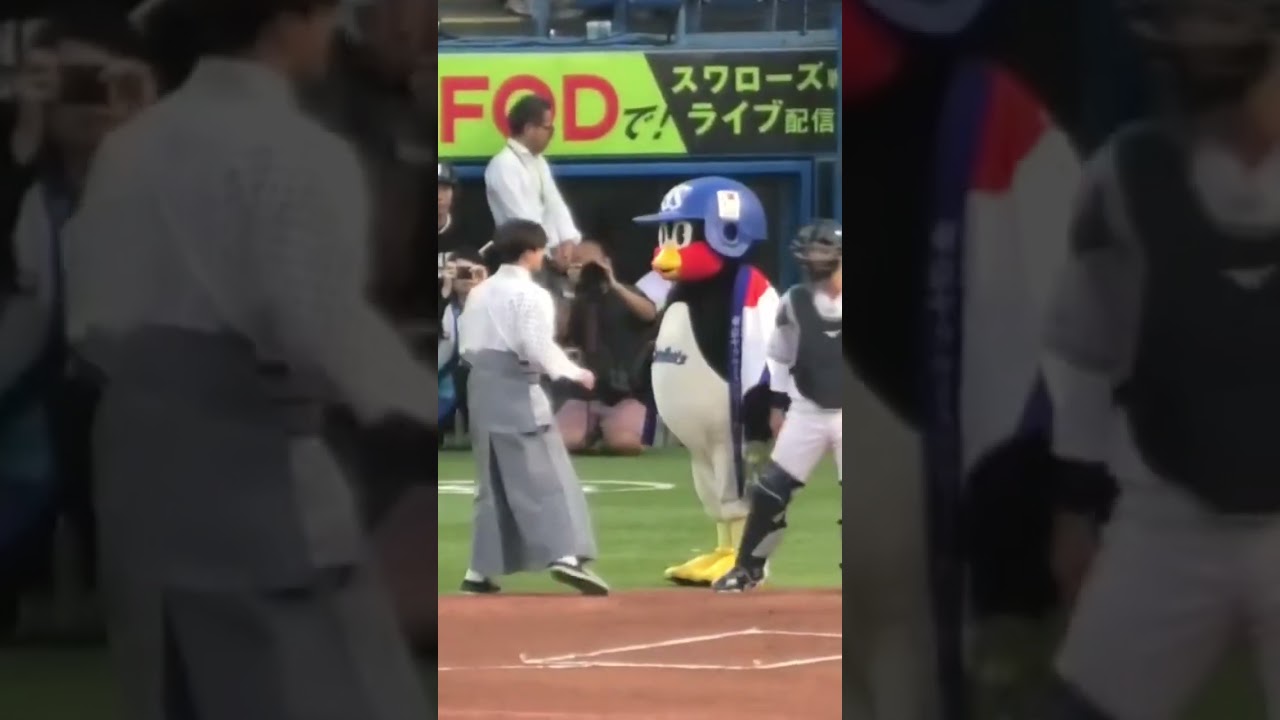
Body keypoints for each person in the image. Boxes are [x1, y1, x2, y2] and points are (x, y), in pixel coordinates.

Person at [61, 0, 434, 717]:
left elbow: (90, 316)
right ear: (287, 20)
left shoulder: (128, 146)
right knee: (320, 687)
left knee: (173, 685)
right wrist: (426, 406)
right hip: (253, 463)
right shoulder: (297, 151)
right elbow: (316, 330)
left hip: (136, 460)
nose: (332, 35)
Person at [1042, 1, 1280, 717]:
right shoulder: (1126, 173)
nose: (1205, 38)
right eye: (1191, 17)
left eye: (1226, 16)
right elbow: (1087, 348)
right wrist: (1076, 505)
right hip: (1172, 516)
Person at [456, 219, 609, 596]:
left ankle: (479, 570)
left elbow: (467, 346)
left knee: (492, 479)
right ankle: (564, 554)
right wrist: (574, 372)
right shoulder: (531, 294)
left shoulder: (480, 292)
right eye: (541, 249)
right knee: (546, 471)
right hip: (515, 384)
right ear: (529, 253)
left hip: (481, 385)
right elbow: (535, 346)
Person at [712, 219, 844, 592]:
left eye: (821, 251)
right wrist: (778, 405)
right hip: (806, 408)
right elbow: (781, 358)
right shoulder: (794, 301)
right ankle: (748, 569)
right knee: (771, 490)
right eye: (810, 251)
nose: (813, 258)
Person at [554, 240, 657, 454]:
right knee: (564, 442)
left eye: (592, 264)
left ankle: (607, 431)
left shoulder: (628, 292)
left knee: (624, 443)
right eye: (578, 263)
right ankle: (592, 432)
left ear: (606, 262)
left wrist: (614, 284)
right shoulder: (575, 299)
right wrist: (572, 290)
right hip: (583, 393)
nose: (587, 269)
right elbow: (559, 333)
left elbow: (650, 314)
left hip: (627, 391)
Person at [484, 93, 582, 269]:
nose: (551, 134)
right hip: (520, 259)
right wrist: (553, 251)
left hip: (548, 256)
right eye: (548, 128)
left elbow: (555, 203)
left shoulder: (539, 161)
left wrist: (567, 240)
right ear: (529, 128)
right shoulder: (503, 165)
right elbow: (524, 220)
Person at [439, 246, 487, 431]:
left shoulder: (491, 303)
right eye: (459, 272)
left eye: (470, 271)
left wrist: (485, 286)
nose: (465, 277)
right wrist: (444, 290)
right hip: (447, 378)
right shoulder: (447, 308)